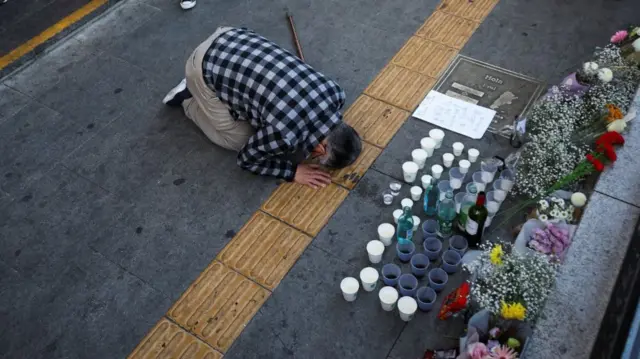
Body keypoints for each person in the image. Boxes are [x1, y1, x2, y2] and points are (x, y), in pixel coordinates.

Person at [163, 27, 362, 189]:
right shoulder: (285, 135)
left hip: (231, 35)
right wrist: (292, 172)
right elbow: (247, 160)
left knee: (261, 121)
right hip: (201, 66)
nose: (313, 157)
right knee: (238, 139)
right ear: (321, 147)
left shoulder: (335, 94)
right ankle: (187, 97)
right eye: (318, 157)